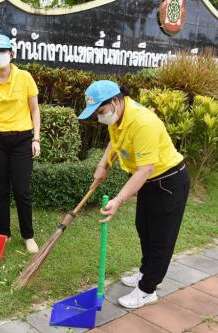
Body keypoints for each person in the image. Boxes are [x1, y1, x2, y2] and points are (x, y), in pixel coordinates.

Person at [78, 80, 190, 309]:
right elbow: (115, 142)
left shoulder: (142, 122)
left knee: (160, 239)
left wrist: (119, 200)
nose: (100, 117)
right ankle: (147, 273)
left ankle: (148, 289)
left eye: (101, 111)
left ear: (116, 101)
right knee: (145, 229)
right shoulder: (119, 117)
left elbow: (146, 168)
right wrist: (103, 165)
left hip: (167, 182)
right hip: (150, 182)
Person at [0, 34, 41, 254]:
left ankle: (28, 235)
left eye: (2, 51)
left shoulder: (24, 77)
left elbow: (34, 110)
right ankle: (4, 233)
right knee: (1, 190)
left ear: (12, 54)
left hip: (23, 139)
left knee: (22, 190)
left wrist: (36, 138)